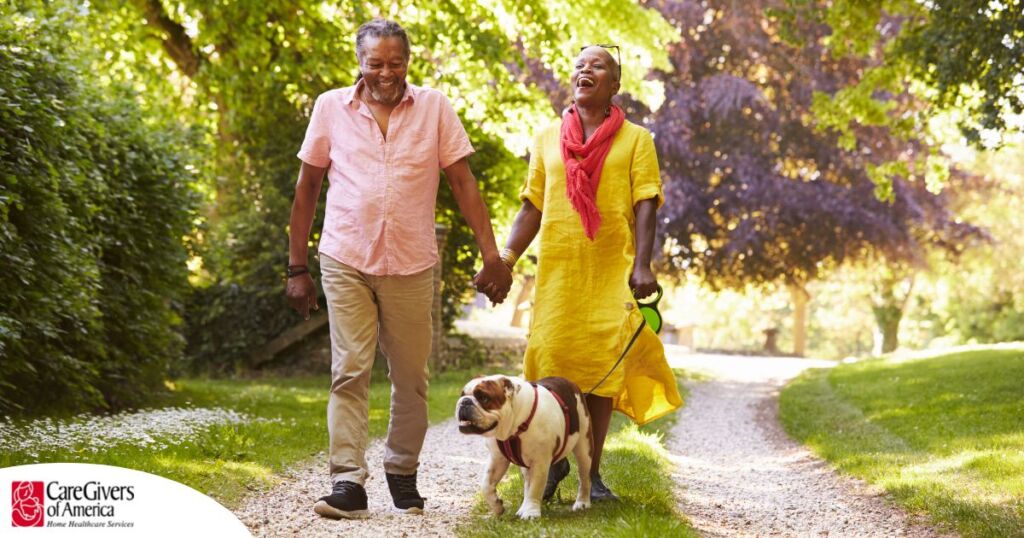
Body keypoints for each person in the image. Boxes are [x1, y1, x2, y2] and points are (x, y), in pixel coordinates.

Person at [285, 19, 512, 519]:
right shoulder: (330, 107)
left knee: (411, 378)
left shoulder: (434, 108)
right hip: (345, 256)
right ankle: (347, 482)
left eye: (396, 63)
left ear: (408, 62)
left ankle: (401, 471)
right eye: (375, 63)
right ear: (360, 64)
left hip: (411, 263)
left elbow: (463, 182)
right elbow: (306, 189)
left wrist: (491, 255)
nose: (386, 73)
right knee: (349, 371)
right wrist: (296, 267)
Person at [499, 45, 683, 502]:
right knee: (550, 362)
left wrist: (642, 263)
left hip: (608, 270)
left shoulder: (637, 140)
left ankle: (591, 475)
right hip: (559, 271)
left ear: (614, 84)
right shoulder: (546, 138)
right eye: (580, 65)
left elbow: (645, 203)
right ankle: (552, 461)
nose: (586, 70)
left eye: (597, 65)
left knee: (601, 373)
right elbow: (532, 206)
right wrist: (504, 260)